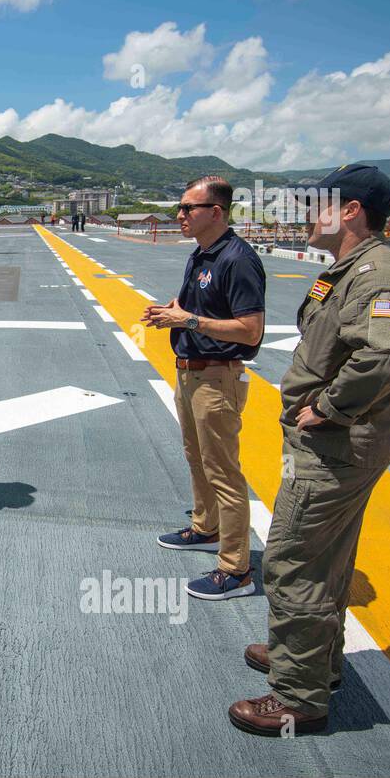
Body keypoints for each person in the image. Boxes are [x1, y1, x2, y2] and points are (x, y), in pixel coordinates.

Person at [230, 165, 390, 735]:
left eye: (318, 205)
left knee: (294, 560)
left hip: (336, 445)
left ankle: (298, 696)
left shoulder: (379, 275)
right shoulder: (346, 271)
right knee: (328, 559)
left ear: (352, 210)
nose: (309, 216)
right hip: (337, 444)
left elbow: (384, 357)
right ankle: (314, 659)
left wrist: (329, 408)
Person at [144, 175, 266, 600]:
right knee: (197, 458)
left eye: (187, 208)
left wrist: (188, 321)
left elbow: (251, 330)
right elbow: (198, 310)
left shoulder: (238, 259)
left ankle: (236, 569)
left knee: (224, 471)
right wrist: (174, 312)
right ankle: (206, 527)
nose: (179, 215)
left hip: (217, 376)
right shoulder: (202, 255)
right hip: (191, 372)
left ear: (215, 212)